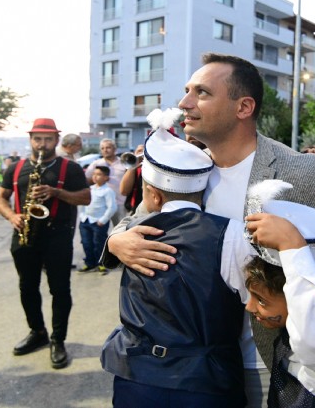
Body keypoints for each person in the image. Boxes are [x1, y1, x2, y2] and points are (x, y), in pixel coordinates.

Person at [103, 53, 315, 407]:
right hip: (199, 373)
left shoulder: (300, 173)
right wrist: (117, 240)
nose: (184, 104)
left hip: (269, 364)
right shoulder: (187, 165)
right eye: (186, 91)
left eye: (202, 93)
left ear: (243, 107)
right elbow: (138, 217)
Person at [102, 111, 252, 407]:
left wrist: (115, 239)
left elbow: (126, 225)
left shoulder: (132, 233)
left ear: (153, 195)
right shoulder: (234, 234)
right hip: (208, 382)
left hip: (138, 377)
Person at [244, 184, 315, 408]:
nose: (249, 307)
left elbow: (311, 330)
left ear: (295, 295)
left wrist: (291, 245)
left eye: (261, 300)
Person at [0, 118, 90, 369]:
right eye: (37, 138)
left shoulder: (69, 168)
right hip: (24, 234)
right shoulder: (16, 168)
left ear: (57, 140)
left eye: (48, 139)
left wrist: (57, 192)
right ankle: (37, 332)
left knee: (59, 290)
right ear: (30, 139)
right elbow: (0, 199)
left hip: (57, 235)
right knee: (27, 287)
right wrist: (12, 216)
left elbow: (85, 198)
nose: (42, 144)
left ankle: (58, 339)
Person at [78, 165, 116, 274]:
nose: (95, 177)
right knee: (86, 243)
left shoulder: (108, 191)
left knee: (98, 243)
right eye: (94, 174)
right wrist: (82, 217)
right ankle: (90, 263)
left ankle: (101, 264)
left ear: (106, 178)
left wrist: (103, 220)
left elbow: (112, 207)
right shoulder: (90, 189)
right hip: (85, 221)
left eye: (99, 174)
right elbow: (84, 203)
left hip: (98, 222)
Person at [85, 138, 128, 226]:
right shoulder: (96, 164)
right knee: (99, 233)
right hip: (100, 205)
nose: (105, 150)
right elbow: (86, 179)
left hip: (119, 203)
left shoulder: (124, 163)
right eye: (102, 148)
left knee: (120, 230)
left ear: (114, 149)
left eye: (108, 147)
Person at [119, 144, 144, 216]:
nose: (142, 153)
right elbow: (124, 191)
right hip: (132, 210)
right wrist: (134, 165)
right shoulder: (131, 168)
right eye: (139, 151)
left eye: (144, 150)